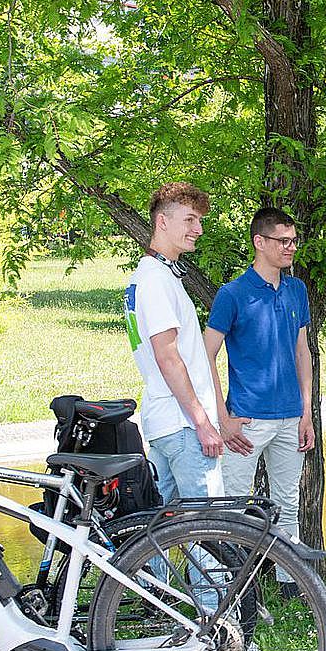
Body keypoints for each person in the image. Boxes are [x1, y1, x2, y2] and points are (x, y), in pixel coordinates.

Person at [206, 206, 315, 598]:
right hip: (246, 422)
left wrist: (306, 412)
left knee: (287, 501)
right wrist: (223, 418)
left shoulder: (296, 290)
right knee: (233, 507)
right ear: (260, 242)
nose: (290, 248)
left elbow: (302, 350)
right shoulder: (232, 294)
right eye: (282, 241)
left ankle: (293, 591)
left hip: (291, 417)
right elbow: (206, 356)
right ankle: (226, 593)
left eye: (293, 241)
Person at [124, 182, 234, 504]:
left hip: (165, 424)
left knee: (158, 538)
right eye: (190, 220)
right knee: (208, 531)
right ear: (162, 222)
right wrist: (202, 422)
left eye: (199, 220)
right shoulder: (155, 280)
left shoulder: (152, 276)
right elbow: (167, 357)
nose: (198, 229)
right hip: (183, 427)